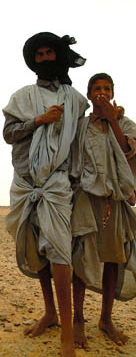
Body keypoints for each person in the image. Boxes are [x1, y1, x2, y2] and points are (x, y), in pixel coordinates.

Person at [3, 32, 89, 357]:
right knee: (38, 252)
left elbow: (81, 138)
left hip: (57, 183)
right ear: (33, 61)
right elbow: (9, 134)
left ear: (58, 56)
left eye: (48, 53)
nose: (43, 58)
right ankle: (50, 314)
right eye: (38, 54)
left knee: (60, 254)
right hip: (25, 184)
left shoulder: (76, 100)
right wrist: (38, 121)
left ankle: (68, 332)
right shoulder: (22, 96)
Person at [71, 73, 136, 350]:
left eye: (106, 88)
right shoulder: (80, 126)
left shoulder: (124, 123)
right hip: (85, 198)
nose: (101, 92)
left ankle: (106, 319)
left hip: (113, 199)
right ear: (88, 94)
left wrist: (111, 120)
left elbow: (127, 152)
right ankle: (77, 320)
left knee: (112, 259)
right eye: (96, 88)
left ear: (112, 93)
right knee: (80, 259)